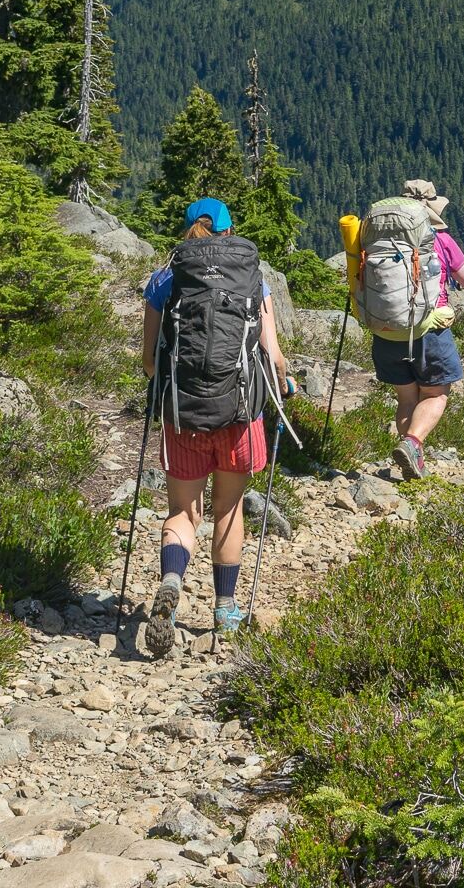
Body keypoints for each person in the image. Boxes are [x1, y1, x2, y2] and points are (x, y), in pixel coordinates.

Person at [137, 197, 288, 656]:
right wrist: (285, 383)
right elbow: (273, 357)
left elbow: (149, 364)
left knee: (182, 514)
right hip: (239, 416)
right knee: (228, 509)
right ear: (228, 232)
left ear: (188, 231)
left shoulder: (165, 279)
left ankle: (171, 579)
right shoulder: (252, 278)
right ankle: (225, 610)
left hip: (183, 415)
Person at [368, 178, 464, 481]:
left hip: (387, 330)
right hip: (428, 330)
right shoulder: (440, 239)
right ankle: (412, 443)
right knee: (436, 395)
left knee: (407, 399)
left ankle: (412, 462)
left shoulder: (375, 236)